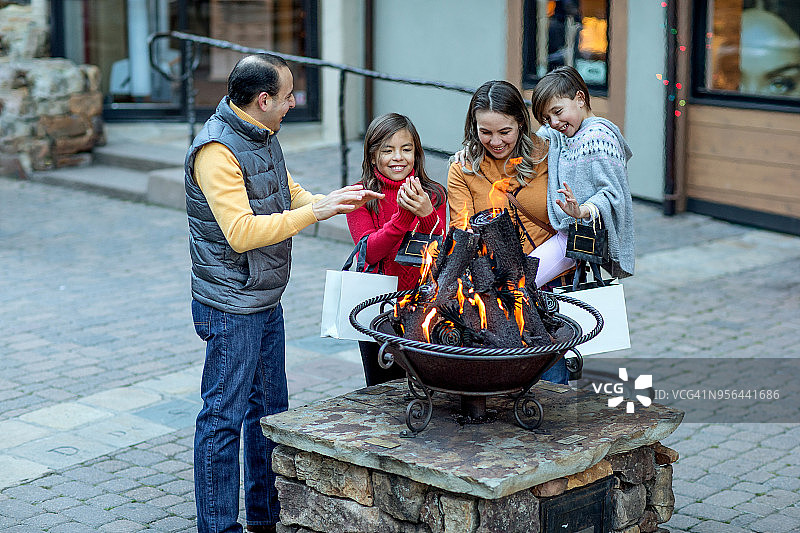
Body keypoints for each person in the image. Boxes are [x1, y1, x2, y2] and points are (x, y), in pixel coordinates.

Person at [184, 54, 382, 533]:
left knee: (269, 413)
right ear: (263, 99)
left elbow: (288, 192)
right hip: (231, 306)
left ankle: (265, 519)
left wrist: (333, 201)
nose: (295, 102)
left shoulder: (262, 134)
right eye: (289, 95)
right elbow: (241, 233)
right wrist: (316, 214)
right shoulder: (216, 151)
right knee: (223, 419)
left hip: (265, 298)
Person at [447, 80, 570, 384]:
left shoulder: (550, 153)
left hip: (548, 282)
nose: (496, 141)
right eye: (485, 132)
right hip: (494, 290)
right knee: (499, 379)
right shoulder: (463, 168)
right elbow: (461, 230)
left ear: (520, 123)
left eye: (505, 131)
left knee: (551, 377)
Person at [347, 113, 447, 386]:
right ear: (372, 156)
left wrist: (427, 214)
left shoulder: (433, 194)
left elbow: (441, 254)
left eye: (406, 149)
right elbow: (369, 252)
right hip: (378, 306)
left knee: (427, 385)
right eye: (387, 150)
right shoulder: (360, 196)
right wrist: (402, 219)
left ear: (417, 153)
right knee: (383, 388)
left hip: (424, 303)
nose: (398, 158)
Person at [530, 65, 634, 282]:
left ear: (580, 98)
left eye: (558, 112)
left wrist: (582, 211)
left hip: (579, 237)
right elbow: (528, 143)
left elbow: (613, 195)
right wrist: (473, 151)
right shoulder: (559, 134)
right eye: (547, 118)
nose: (554, 123)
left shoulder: (599, 138)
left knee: (523, 281)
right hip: (564, 233)